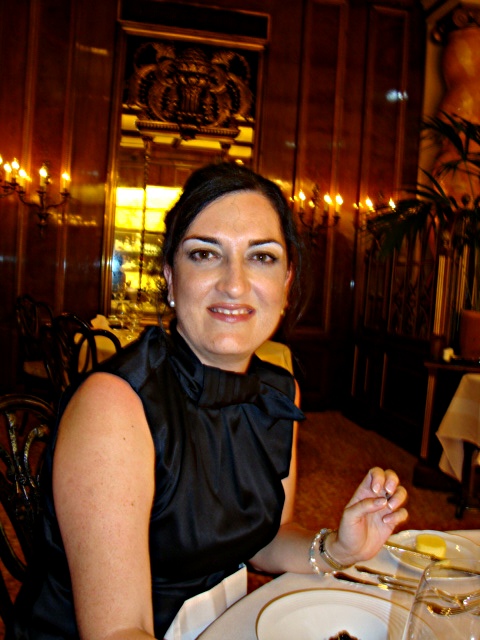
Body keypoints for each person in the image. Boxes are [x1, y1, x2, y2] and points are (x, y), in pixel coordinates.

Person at [11, 162, 408, 640]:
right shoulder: (115, 407)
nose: (235, 284)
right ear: (170, 280)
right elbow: (118, 632)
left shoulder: (278, 394)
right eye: (204, 254)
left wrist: (335, 549)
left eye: (261, 257)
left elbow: (264, 539)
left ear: (285, 282)